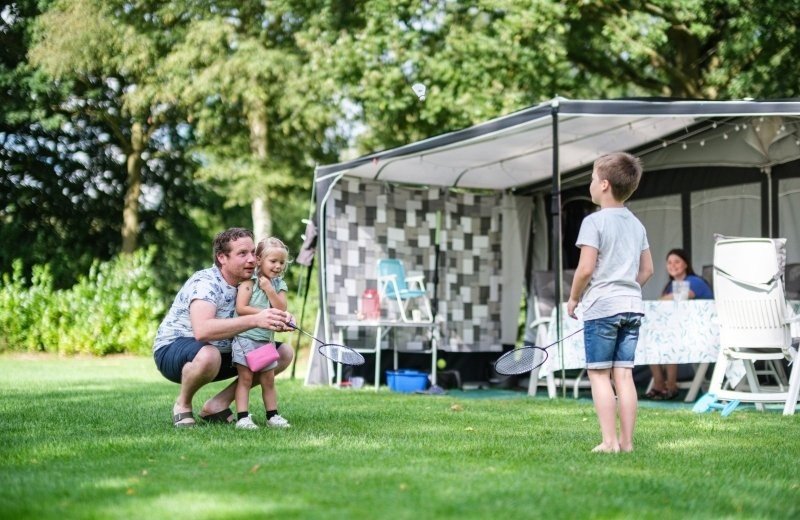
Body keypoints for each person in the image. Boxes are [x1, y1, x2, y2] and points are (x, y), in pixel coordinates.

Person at [153, 227, 295, 428]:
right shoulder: (206, 282)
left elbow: (269, 307)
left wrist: (280, 318)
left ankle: (217, 405)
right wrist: (256, 320)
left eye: (252, 252)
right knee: (209, 355)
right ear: (222, 257)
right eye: (242, 254)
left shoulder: (256, 281)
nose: (251, 259)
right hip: (174, 351)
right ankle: (183, 404)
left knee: (282, 353)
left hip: (228, 350)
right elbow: (203, 331)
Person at [567, 152, 654, 453]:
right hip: (632, 306)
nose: (590, 184)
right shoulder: (637, 225)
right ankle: (627, 444)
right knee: (624, 374)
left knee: (599, 374)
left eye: (592, 178)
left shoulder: (594, 222)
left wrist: (574, 298)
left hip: (602, 308)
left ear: (604, 184)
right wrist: (626, 290)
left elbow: (585, 269)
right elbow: (648, 270)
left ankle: (609, 442)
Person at [232, 237, 292, 429]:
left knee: (268, 379)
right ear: (259, 260)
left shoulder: (279, 284)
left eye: (281, 262)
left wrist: (269, 289)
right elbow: (241, 308)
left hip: (266, 340)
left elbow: (281, 308)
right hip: (245, 338)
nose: (278, 266)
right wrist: (264, 313)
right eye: (273, 261)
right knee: (246, 379)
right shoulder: (249, 281)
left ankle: (272, 416)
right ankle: (243, 418)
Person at [645, 248, 713, 400]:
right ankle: (659, 384)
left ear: (686, 264)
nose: (672, 265)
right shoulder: (670, 285)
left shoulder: (694, 281)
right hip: (682, 329)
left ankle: (671, 385)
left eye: (677, 262)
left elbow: (681, 296)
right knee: (651, 338)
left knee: (669, 337)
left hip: (703, 331)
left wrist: (661, 299)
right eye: (669, 262)